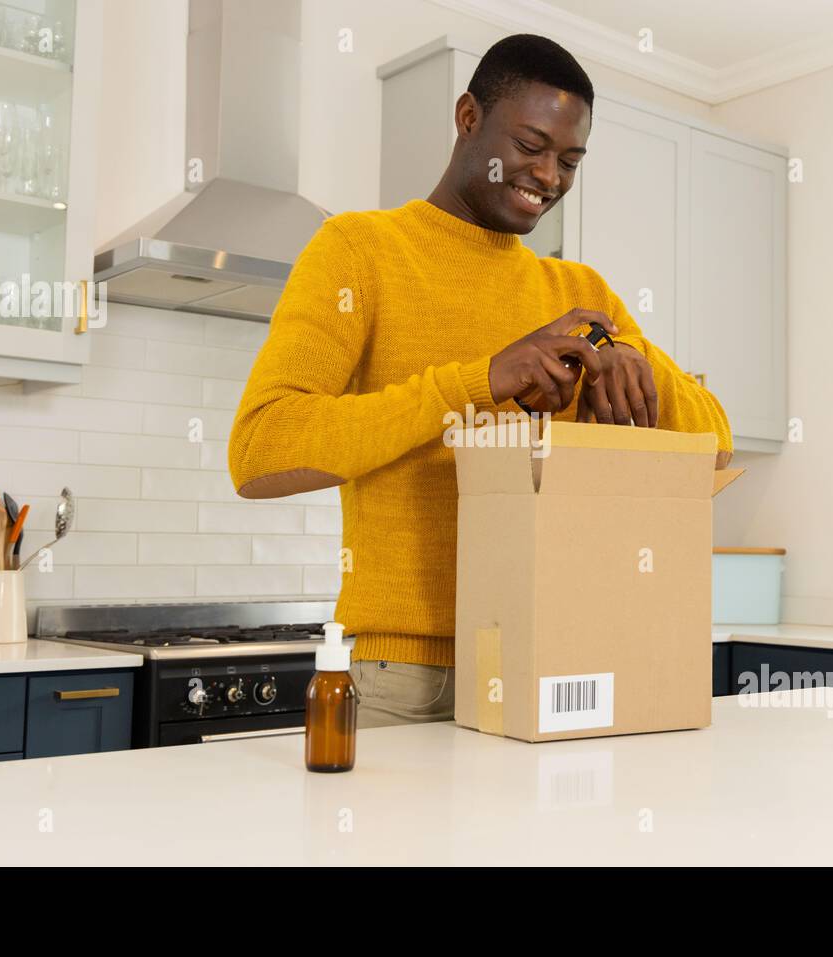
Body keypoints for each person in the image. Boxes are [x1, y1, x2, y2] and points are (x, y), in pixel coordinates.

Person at [229, 34, 732, 727]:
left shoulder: (580, 294)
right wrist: (481, 381)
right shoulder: (359, 251)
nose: (549, 176)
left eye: (571, 160)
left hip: (559, 657)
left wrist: (629, 354)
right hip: (406, 677)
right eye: (531, 145)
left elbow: (717, 443)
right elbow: (261, 450)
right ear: (469, 117)